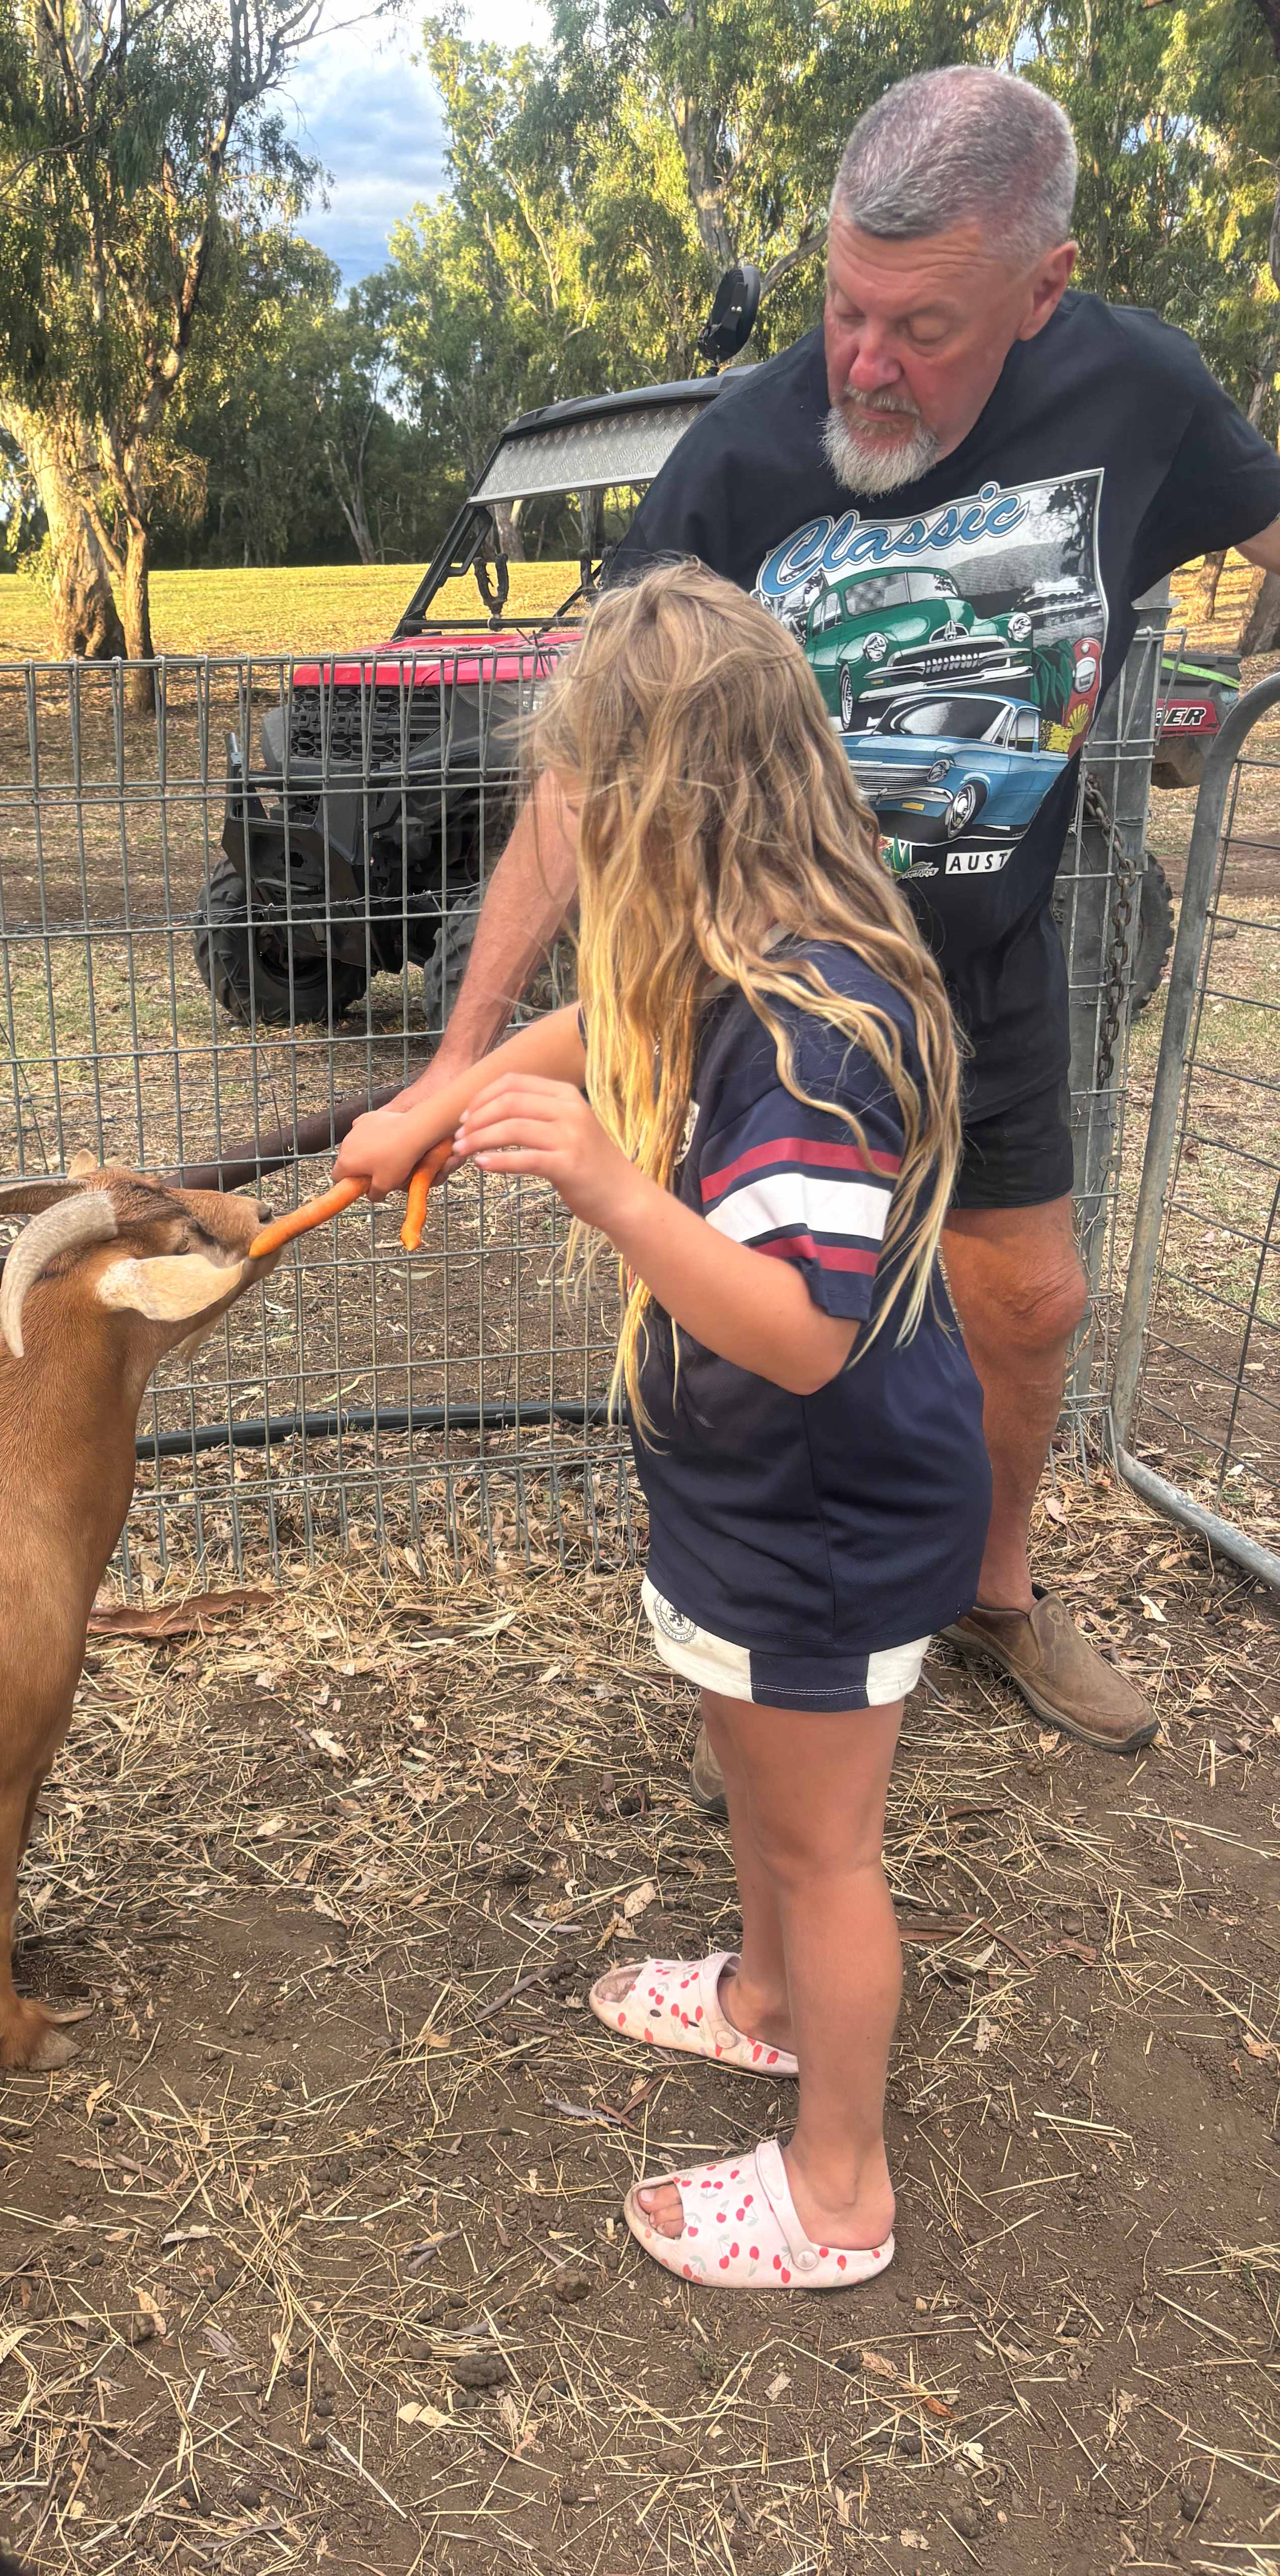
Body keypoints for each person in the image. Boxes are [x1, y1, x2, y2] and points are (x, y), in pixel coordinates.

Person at [342, 65, 1280, 1787]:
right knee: (775, 1318)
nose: (865, 361)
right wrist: (457, 1054)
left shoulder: (1139, 393)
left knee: (1027, 1299)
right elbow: (579, 769)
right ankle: (790, 1659)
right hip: (764, 988)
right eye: (848, 304)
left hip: (981, 969)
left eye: (921, 326)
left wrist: (1243, 682)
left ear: (1043, 292)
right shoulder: (748, 454)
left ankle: (988, 1595)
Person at [348, 562, 987, 2287]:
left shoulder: (814, 1031)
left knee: (825, 1841)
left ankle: (839, 2188)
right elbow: (592, 1024)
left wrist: (613, 1188)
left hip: (826, 1504)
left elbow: (798, 1331)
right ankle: (767, 1999)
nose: (579, 838)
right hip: (749, 1487)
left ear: (675, 800)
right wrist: (441, 1100)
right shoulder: (727, 952)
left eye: (596, 799)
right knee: (757, 1782)